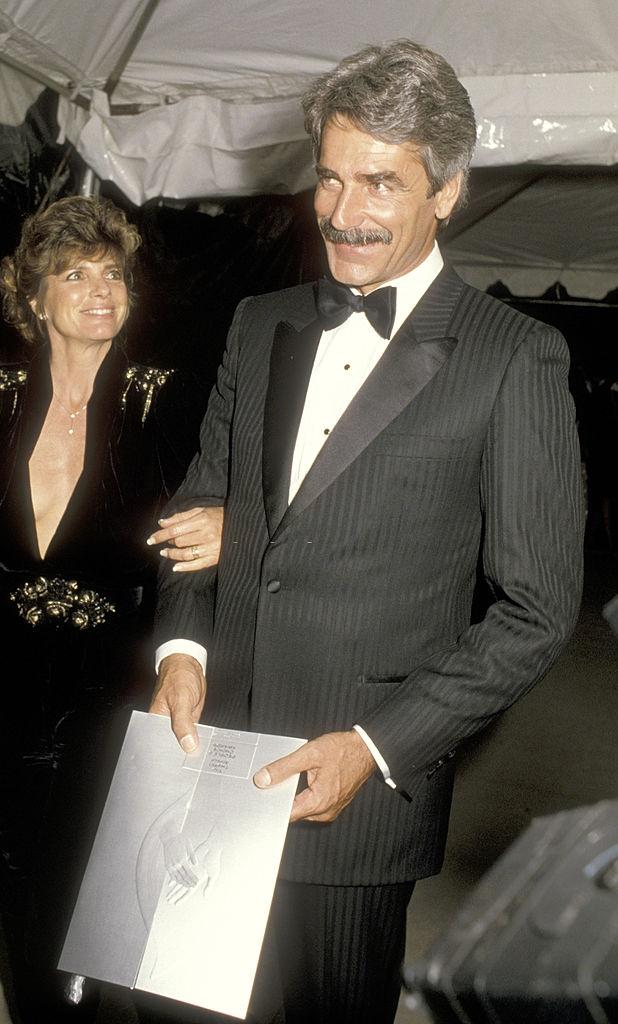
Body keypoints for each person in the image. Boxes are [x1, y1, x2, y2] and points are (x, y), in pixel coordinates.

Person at [150, 40, 584, 1024]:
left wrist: (378, 744)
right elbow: (200, 505)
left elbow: (536, 610)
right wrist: (182, 646)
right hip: (211, 765)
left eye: (380, 183)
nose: (343, 213)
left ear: (448, 190)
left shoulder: (516, 360)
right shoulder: (260, 321)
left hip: (353, 799)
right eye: (332, 177)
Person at [0, 194, 223, 1021]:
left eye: (114, 273)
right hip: (3, 687)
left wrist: (229, 520)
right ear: (33, 294)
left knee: (109, 899)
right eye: (75, 272)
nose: (100, 289)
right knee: (22, 895)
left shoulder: (168, 399)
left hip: (120, 690)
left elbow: (235, 495)